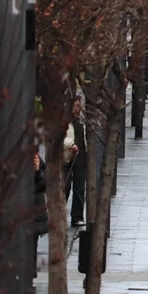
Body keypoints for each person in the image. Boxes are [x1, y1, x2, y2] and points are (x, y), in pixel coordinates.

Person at [63, 95, 87, 227]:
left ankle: (77, 216)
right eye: (76, 106)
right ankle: (60, 213)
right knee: (65, 187)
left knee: (79, 187)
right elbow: (60, 137)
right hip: (68, 155)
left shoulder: (81, 120)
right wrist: (70, 144)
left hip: (81, 156)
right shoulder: (65, 121)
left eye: (79, 106)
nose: (78, 109)